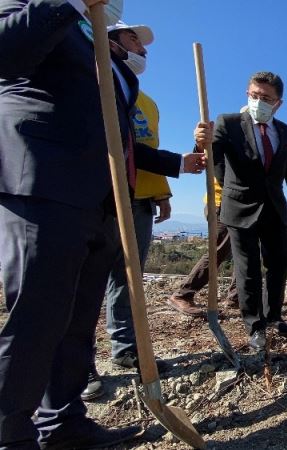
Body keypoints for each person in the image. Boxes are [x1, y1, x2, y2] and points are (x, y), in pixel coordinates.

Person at [0, 1, 204, 448]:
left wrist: (177, 163)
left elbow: (118, 137)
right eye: (132, 38)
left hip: (103, 201)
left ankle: (63, 423)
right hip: (44, 183)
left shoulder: (111, 64)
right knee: (38, 316)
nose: (138, 47)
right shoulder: (33, 10)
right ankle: (9, 434)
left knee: (77, 320)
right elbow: (7, 52)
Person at [82, 20, 175, 402]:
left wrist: (162, 191)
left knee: (128, 276)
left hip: (138, 199)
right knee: (83, 283)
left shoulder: (145, 99)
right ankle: (79, 363)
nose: (143, 48)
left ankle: (124, 348)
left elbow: (143, 149)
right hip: (96, 198)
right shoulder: (90, 78)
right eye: (134, 38)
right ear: (110, 41)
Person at [195, 71, 287, 351]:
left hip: (274, 208)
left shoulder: (285, 132)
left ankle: (273, 317)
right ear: (248, 94)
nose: (258, 101)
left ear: (278, 103)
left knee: (279, 264)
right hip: (239, 208)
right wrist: (201, 141)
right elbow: (211, 159)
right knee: (248, 270)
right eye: (254, 95)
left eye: (266, 98)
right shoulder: (229, 122)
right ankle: (255, 326)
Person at [167, 179, 239, 316]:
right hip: (224, 203)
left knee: (243, 252)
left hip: (239, 204)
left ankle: (236, 298)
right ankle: (182, 294)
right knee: (219, 251)